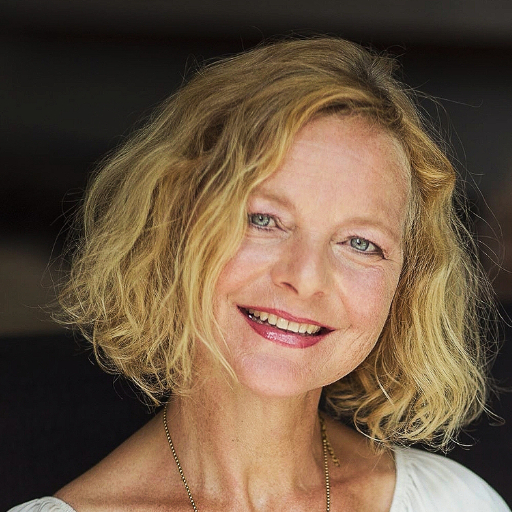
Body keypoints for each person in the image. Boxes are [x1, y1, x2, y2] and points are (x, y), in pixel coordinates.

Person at [10, 37, 510, 512]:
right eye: (264, 219)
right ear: (172, 226)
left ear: (406, 285)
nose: (306, 277)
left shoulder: (454, 501)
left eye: (361, 243)